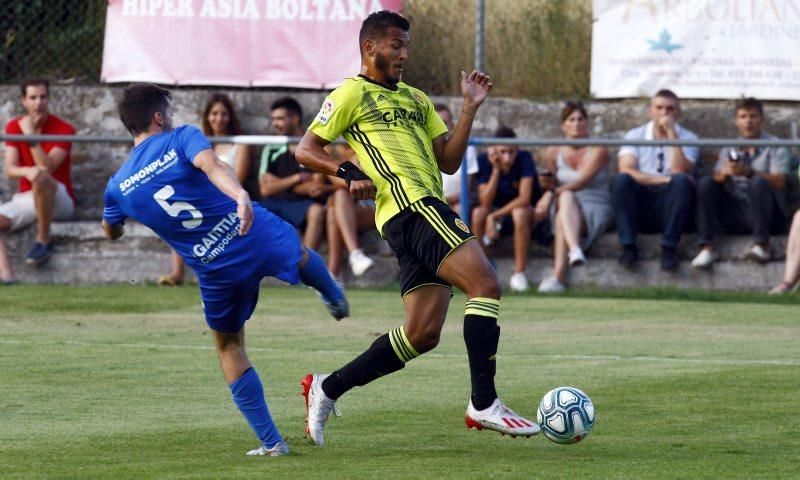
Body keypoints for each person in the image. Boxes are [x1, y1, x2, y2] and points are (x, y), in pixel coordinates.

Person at [294, 10, 540, 446]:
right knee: (485, 284)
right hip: (411, 207)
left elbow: (448, 160)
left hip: (421, 209)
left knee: (422, 334)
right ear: (370, 47)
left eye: (406, 45)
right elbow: (306, 149)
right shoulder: (351, 92)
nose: (404, 53)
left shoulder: (416, 99)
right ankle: (484, 403)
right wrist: (347, 171)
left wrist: (468, 110)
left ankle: (327, 387)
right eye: (395, 45)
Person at [102, 83, 348, 457]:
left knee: (229, 345)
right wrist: (239, 196)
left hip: (216, 268)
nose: (171, 117)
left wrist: (115, 226)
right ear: (158, 116)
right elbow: (212, 164)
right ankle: (332, 295)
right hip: (250, 233)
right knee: (298, 253)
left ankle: (271, 443)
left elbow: (112, 228)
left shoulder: (117, 186)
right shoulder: (181, 137)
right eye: (168, 111)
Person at [158, 93, 253, 286]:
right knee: (175, 215)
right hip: (200, 199)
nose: (219, 118)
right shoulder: (199, 142)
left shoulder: (239, 143)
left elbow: (239, 179)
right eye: (214, 113)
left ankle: (209, 273)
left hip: (227, 199)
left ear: (230, 116)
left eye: (224, 114)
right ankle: (177, 274)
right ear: (208, 116)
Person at [692, 97, 790, 269]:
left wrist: (748, 172)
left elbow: (779, 182)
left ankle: (762, 246)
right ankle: (707, 247)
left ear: (762, 119)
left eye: (753, 116)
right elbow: (716, 178)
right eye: (743, 117)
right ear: (736, 121)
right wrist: (724, 174)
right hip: (736, 212)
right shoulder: (729, 147)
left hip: (767, 215)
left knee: (758, 182)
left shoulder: (776, 146)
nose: (748, 122)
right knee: (706, 183)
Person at [612, 89, 698, 271]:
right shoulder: (635, 135)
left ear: (678, 113)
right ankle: (628, 246)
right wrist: (664, 180)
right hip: (643, 199)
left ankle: (669, 247)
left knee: (681, 182)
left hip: (672, 203)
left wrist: (672, 135)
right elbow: (626, 169)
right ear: (650, 111)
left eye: (670, 109)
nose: (664, 113)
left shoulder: (689, 138)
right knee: (621, 181)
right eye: (659, 108)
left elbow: (679, 170)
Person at [1, 79, 75, 282]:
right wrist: (27, 172)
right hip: (27, 198)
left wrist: (31, 137)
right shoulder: (13, 126)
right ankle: (6, 275)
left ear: (48, 99)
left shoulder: (64, 129)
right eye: (33, 97)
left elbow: (49, 166)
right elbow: (10, 169)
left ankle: (42, 241)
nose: (38, 102)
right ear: (23, 100)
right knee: (37, 178)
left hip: (60, 198)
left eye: (43, 97)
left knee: (42, 178)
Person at [538, 101, 613, 293]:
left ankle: (559, 276)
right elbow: (552, 182)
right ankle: (574, 251)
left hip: (595, 203)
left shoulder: (598, 148)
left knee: (566, 199)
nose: (577, 123)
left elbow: (582, 181)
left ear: (587, 122)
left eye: (581, 119)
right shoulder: (554, 150)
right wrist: (547, 185)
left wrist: (552, 194)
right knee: (566, 202)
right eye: (571, 119)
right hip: (566, 204)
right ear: (564, 125)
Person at [471, 126, 550, 292]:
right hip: (495, 213)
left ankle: (519, 274)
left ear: (518, 149)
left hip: (523, 214)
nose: (507, 158)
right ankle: (480, 274)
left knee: (519, 213)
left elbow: (524, 199)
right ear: (493, 150)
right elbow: (485, 201)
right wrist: (496, 170)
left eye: (512, 152)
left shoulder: (525, 158)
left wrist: (494, 216)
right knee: (478, 213)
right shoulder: (484, 160)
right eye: (502, 152)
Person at [259, 97, 330, 250]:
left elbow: (315, 187)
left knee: (317, 211)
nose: (275, 124)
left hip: (303, 205)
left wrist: (278, 183)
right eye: (273, 119)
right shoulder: (271, 148)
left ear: (295, 118)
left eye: (280, 119)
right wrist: (298, 178)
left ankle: (306, 267)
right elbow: (265, 189)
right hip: (275, 203)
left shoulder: (314, 147)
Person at [325, 144, 376, 281]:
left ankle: (332, 274)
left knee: (335, 208)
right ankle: (355, 255)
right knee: (337, 203)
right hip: (347, 206)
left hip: (373, 202)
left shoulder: (364, 143)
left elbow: (363, 184)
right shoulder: (329, 149)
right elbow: (338, 181)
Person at [435, 103, 478, 216]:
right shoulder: (421, 147)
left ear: (452, 125)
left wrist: (443, 200)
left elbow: (467, 189)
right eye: (435, 123)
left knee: (459, 209)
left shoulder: (467, 148)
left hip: (456, 202)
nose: (439, 127)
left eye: (444, 123)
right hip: (433, 202)